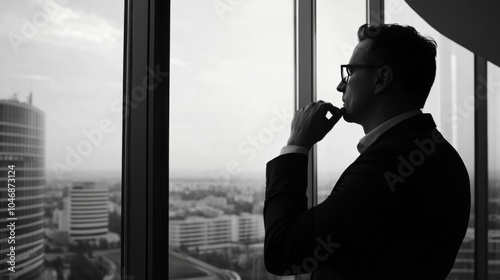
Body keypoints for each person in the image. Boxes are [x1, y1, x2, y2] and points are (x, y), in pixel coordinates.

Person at [263, 23, 471, 279]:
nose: (341, 86)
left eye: (349, 72)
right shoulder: (436, 153)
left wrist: (296, 145)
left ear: (381, 78)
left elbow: (281, 251)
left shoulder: (386, 166)